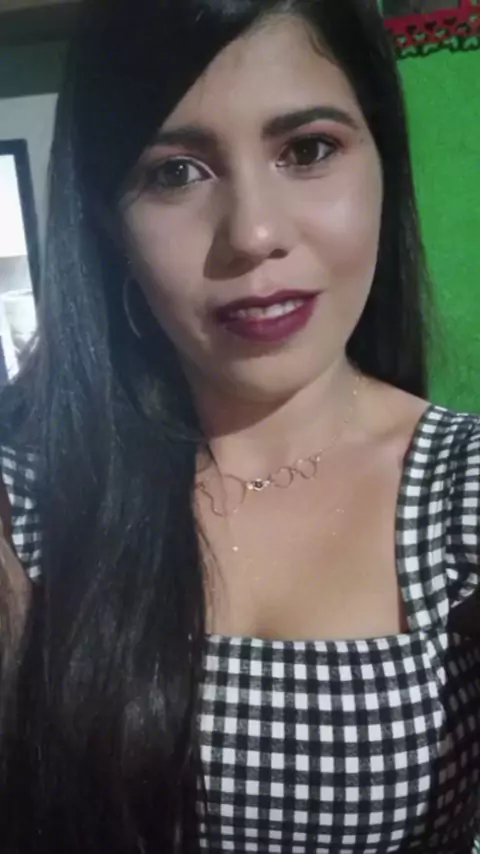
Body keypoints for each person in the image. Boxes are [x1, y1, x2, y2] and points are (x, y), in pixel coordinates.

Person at [0, 0, 479, 851]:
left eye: (309, 150)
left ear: (383, 161)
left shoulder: (461, 493)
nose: (254, 235)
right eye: (176, 172)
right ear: (110, 224)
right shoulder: (34, 498)